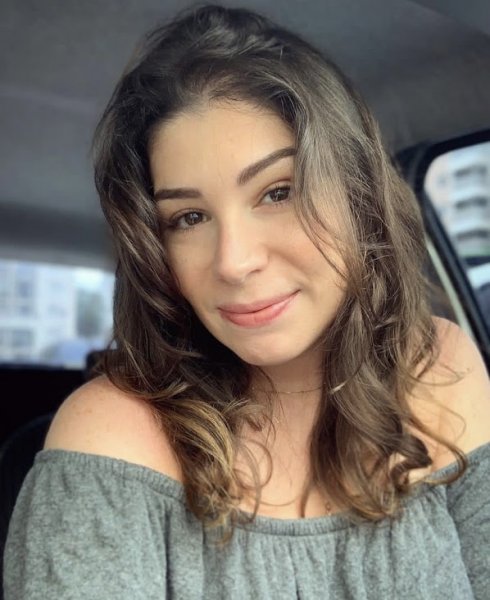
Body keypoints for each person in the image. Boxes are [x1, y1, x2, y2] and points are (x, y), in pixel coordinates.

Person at [4, 4, 490, 599]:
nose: (233, 262)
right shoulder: (110, 435)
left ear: (359, 194)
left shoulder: (438, 364)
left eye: (278, 191)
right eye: (188, 218)